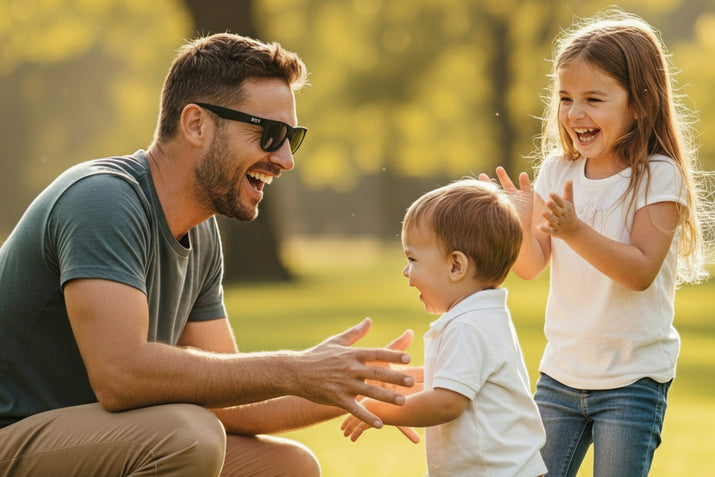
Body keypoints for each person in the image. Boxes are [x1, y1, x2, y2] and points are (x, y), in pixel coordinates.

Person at [0, 33, 418, 477]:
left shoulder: (201, 234)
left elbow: (231, 399)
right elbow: (120, 375)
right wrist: (296, 367)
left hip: (95, 441)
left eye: (291, 138)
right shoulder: (103, 200)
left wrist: (360, 385)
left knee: (287, 467)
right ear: (196, 124)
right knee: (187, 434)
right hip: (13, 433)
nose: (284, 159)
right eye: (269, 134)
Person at [480, 9, 711, 477]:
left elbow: (640, 271)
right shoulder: (557, 171)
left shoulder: (658, 176)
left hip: (632, 380)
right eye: (566, 98)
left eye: (593, 99)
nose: (575, 113)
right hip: (561, 373)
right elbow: (530, 267)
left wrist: (575, 231)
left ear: (640, 103)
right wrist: (522, 222)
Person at [341, 178, 548, 477]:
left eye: (412, 259)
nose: (405, 271)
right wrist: (403, 386)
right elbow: (455, 385)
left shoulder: (469, 327)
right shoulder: (480, 317)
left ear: (456, 266)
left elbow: (445, 404)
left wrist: (380, 409)